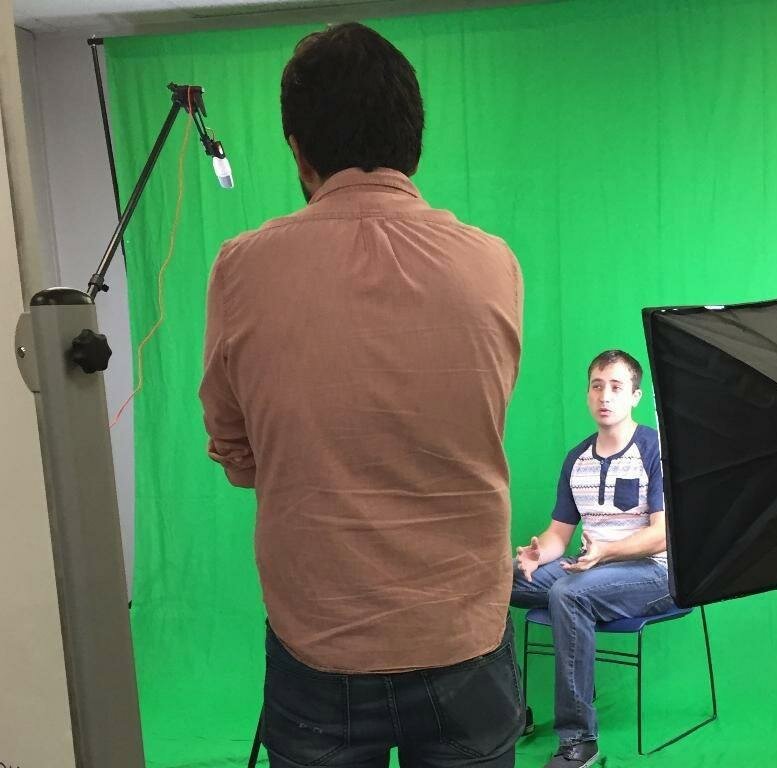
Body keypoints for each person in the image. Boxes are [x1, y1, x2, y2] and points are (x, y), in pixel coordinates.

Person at [199, 22, 524, 768]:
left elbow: (236, 451)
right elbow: (480, 417)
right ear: (414, 142)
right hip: (464, 629)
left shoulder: (242, 268)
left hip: (320, 636)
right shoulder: (493, 263)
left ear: (297, 149)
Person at [511, 350, 671, 768]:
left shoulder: (656, 449)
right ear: (588, 394)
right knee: (498, 580)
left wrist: (606, 552)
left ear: (635, 396)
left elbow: (662, 535)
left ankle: (579, 738)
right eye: (597, 386)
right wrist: (537, 554)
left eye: (616, 387)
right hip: (589, 569)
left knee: (569, 594)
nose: (605, 396)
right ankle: (511, 711)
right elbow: (559, 536)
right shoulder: (576, 458)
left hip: (654, 574)